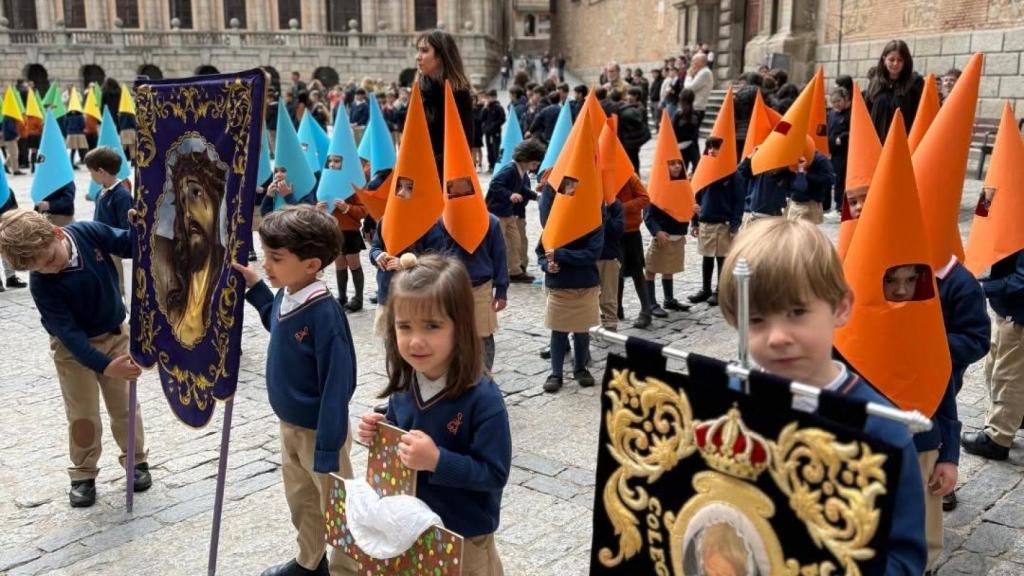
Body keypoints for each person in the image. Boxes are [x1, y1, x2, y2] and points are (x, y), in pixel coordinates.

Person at [718, 218, 927, 574]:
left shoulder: (883, 430)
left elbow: (903, 558)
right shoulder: (736, 394)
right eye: (756, 320)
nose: (777, 337)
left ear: (841, 307)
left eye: (796, 312)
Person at [357, 254, 511, 575]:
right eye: (404, 326)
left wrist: (438, 461)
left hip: (465, 537)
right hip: (415, 530)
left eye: (432, 326)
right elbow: (404, 435)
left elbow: (494, 474)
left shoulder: (483, 399)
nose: (416, 340)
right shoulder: (406, 384)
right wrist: (383, 431)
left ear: (460, 326)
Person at [232, 205, 358, 576]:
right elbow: (278, 322)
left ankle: (345, 569)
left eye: (276, 258)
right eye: (266, 255)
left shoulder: (324, 313)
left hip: (321, 432)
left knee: (337, 504)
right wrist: (256, 288)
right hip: (289, 424)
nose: (267, 264)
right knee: (302, 500)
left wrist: (328, 445)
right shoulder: (289, 294)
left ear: (310, 264)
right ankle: (310, 560)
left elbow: (339, 384)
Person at [0, 209, 150, 508]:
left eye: (51, 260)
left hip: (115, 335)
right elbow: (68, 335)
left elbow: (131, 245)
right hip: (73, 352)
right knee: (82, 414)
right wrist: (106, 366)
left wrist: (138, 224)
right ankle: (83, 472)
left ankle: (136, 460)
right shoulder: (42, 285)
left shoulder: (88, 233)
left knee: (125, 406)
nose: (49, 270)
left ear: (56, 233)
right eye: (38, 269)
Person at [883, 261, 989, 571]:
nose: (902, 289)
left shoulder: (956, 286)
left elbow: (942, 395)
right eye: (891, 280)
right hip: (873, 446)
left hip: (923, 440)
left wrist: (949, 456)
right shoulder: (860, 329)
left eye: (911, 279)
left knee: (923, 523)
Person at [537, 185, 603, 393]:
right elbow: (541, 253)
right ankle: (555, 373)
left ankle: (580, 368)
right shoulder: (553, 225)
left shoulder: (593, 224)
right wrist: (548, 265)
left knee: (582, 332)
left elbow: (592, 254)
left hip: (584, 284)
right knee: (558, 332)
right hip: (560, 285)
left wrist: (561, 255)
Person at [962, 247, 1024, 461]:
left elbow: (1021, 280)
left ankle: (997, 438)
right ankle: (1016, 416)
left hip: (1019, 316)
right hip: (1010, 309)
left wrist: (981, 286)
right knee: (996, 365)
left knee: (1008, 376)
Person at [440, 211, 509, 371]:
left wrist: (501, 290)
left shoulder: (491, 221)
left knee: (483, 334)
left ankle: (484, 376)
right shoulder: (443, 221)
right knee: (452, 335)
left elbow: (499, 255)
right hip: (451, 287)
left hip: (481, 287)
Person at [416, 30, 474, 181]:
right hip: (418, 168)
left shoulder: (458, 92)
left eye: (424, 51)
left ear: (441, 55)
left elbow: (463, 141)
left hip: (446, 173)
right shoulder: (420, 88)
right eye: (418, 50)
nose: (418, 57)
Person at [689, 147, 743, 307]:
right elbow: (696, 196)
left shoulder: (734, 175)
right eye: (710, 150)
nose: (712, 153)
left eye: (716, 150)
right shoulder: (705, 172)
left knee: (722, 258)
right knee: (706, 257)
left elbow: (739, 202)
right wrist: (695, 221)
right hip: (706, 222)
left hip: (723, 223)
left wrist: (734, 226)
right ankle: (705, 289)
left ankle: (720, 291)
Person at [486, 139, 544, 283]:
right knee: (500, 244)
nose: (535, 168)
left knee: (515, 242)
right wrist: (509, 195)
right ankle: (496, 272)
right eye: (534, 164)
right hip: (497, 213)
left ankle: (514, 271)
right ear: (524, 159)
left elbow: (522, 189)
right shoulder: (509, 170)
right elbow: (495, 184)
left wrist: (535, 196)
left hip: (508, 213)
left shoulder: (521, 172)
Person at [317, 158, 369, 313]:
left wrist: (347, 208)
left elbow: (363, 210)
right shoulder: (325, 183)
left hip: (350, 233)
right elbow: (318, 203)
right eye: (330, 161)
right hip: (333, 231)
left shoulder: (351, 186)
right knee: (339, 264)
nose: (333, 164)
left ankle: (358, 298)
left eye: (337, 161)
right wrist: (317, 208)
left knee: (353, 263)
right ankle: (342, 297)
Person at [643, 160, 692, 318]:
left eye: (679, 163)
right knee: (651, 269)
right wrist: (657, 232)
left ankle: (669, 299)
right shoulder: (657, 188)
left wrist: (693, 211)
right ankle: (650, 303)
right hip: (662, 238)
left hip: (677, 236)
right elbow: (648, 216)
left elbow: (687, 206)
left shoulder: (683, 186)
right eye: (672, 164)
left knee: (669, 269)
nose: (677, 166)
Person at [85, 147, 132, 296]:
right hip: (103, 247)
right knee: (109, 283)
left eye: (91, 171)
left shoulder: (121, 195)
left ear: (101, 171)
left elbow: (126, 226)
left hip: (116, 250)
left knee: (120, 285)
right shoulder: (100, 192)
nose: (90, 175)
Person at [865, 40, 924, 142]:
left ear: (905, 61)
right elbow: (866, 112)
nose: (895, 64)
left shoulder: (914, 84)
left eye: (900, 60)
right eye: (891, 60)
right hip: (876, 143)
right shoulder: (875, 82)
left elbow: (919, 114)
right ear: (884, 59)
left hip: (902, 142)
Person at [616, 175, 653, 328]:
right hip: (612, 232)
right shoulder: (602, 174)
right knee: (615, 272)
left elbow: (645, 199)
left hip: (630, 231)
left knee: (637, 272)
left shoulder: (630, 177)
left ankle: (646, 311)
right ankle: (616, 308)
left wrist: (621, 207)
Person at [598, 196, 625, 331]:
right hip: (588, 255)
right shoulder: (584, 202)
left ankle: (610, 327)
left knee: (608, 295)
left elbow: (617, 231)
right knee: (588, 294)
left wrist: (604, 214)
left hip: (609, 255)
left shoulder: (615, 205)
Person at [826, 87, 851, 214]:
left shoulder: (850, 113)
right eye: (833, 101)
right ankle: (836, 203)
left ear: (846, 99)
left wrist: (842, 137)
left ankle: (840, 205)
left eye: (838, 101)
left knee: (841, 178)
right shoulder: (832, 113)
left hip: (844, 152)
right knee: (835, 178)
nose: (836, 104)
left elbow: (853, 130)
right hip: (833, 152)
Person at [617, 87, 651, 172]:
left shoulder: (639, 108)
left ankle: (636, 175)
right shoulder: (630, 105)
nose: (628, 97)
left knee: (634, 158)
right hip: (630, 138)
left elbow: (636, 117)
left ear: (636, 96)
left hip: (634, 139)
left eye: (630, 95)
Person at [673, 89, 701, 174]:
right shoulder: (696, 114)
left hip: (679, 146)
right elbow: (696, 131)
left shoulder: (678, 115)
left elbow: (673, 131)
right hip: (692, 145)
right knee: (696, 168)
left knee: (681, 173)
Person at [684, 53, 714, 125]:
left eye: (694, 61)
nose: (692, 64)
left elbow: (689, 88)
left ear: (701, 62)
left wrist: (689, 76)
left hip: (697, 107)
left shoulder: (705, 72)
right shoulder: (701, 72)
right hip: (695, 106)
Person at [480, 90, 506, 173]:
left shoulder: (499, 107)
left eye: (490, 97)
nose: (489, 99)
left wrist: (494, 125)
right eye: (488, 97)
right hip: (488, 132)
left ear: (494, 97)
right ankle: (490, 165)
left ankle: (496, 166)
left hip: (495, 132)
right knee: (489, 149)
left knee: (495, 149)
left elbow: (502, 119)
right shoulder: (487, 107)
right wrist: (484, 108)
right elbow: (482, 118)